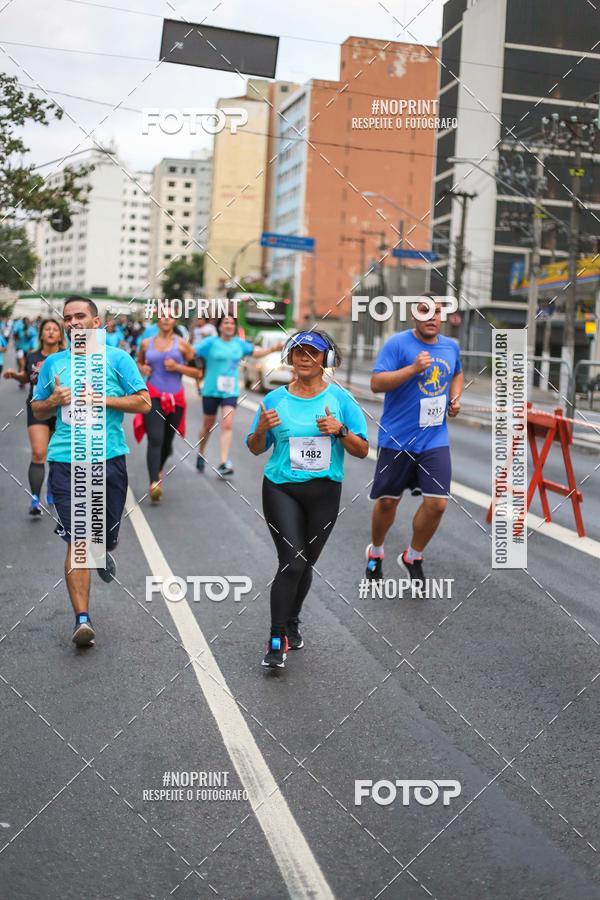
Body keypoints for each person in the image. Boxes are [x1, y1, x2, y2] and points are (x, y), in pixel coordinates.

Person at [31, 296, 149, 647]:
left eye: (80, 316)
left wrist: (101, 399)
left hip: (108, 458)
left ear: (97, 323)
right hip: (66, 461)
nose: (73, 323)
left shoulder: (117, 359)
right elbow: (37, 410)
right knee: (77, 538)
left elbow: (144, 402)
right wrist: (53, 401)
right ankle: (82, 618)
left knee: (101, 537)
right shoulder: (54, 363)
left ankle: (103, 547)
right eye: (67, 318)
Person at [247, 330, 368, 669]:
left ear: (326, 360)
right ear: (289, 357)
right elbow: (256, 447)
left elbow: (362, 450)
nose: (303, 358)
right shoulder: (273, 401)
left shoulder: (341, 401)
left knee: (305, 563)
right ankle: (275, 638)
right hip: (281, 488)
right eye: (298, 351)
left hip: (324, 492)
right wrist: (259, 430)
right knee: (293, 562)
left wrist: (340, 431)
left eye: (312, 353)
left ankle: (292, 621)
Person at [365, 297, 463, 587]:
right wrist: (412, 369)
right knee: (386, 502)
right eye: (425, 311)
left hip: (434, 438)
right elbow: (376, 383)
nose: (432, 317)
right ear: (414, 315)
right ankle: (377, 551)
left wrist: (456, 398)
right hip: (397, 439)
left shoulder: (451, 346)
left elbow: (457, 373)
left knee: (438, 504)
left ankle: (413, 556)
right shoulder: (397, 344)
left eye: (437, 312)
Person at [195, 314, 283, 477]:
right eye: (226, 322)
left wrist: (272, 349)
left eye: (232, 323)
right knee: (208, 425)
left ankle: (223, 462)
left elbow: (256, 352)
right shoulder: (210, 343)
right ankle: (201, 452)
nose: (229, 325)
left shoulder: (239, 344)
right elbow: (191, 352)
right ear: (220, 326)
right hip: (211, 390)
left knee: (227, 424)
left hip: (230, 391)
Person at [135, 311, 199, 502]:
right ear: (158, 319)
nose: (166, 319)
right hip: (152, 395)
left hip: (175, 398)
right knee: (155, 438)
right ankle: (154, 482)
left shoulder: (183, 345)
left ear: (174, 321)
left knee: (167, 442)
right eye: (163, 315)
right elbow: (139, 362)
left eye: (170, 316)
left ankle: (159, 468)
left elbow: (197, 372)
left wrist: (178, 367)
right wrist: (142, 368)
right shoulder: (146, 343)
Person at [3, 318, 65, 514]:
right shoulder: (32, 356)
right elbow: (27, 377)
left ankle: (53, 488)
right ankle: (35, 498)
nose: (51, 332)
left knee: (56, 455)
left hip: (61, 410)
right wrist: (14, 375)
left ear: (60, 336)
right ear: (41, 334)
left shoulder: (66, 358)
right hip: (37, 407)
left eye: (55, 329)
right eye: (47, 329)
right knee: (39, 453)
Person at [13, 316, 37, 382]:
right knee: (22, 364)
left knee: (26, 365)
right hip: (20, 348)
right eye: (25, 322)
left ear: (29, 322)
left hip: (28, 349)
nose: (26, 323)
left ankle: (22, 375)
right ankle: (21, 378)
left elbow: (34, 338)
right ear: (23, 322)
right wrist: (16, 342)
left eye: (27, 322)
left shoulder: (32, 329)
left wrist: (28, 335)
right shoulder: (19, 328)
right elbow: (14, 334)